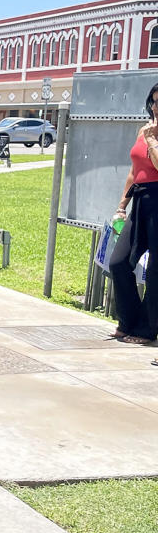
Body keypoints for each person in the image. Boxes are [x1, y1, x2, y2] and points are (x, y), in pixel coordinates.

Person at [108, 83, 158, 345]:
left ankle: (147, 329)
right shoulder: (145, 129)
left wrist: (152, 141)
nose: (156, 108)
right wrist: (121, 206)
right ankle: (128, 320)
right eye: (154, 101)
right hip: (140, 200)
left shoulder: (151, 134)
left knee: (155, 273)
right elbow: (134, 170)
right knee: (119, 261)